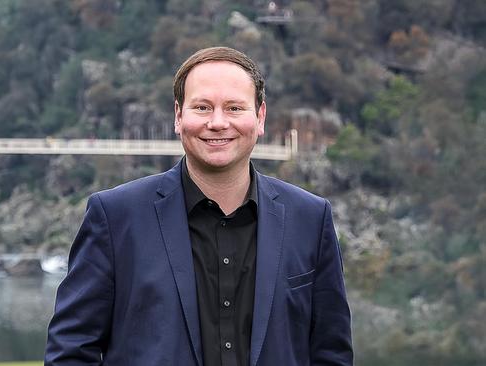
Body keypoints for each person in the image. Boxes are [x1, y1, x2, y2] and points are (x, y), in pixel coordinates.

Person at [45, 46, 353, 366]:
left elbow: (332, 354)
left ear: (260, 117)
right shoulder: (115, 217)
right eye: (203, 107)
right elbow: (70, 351)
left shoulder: (311, 219)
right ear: (179, 116)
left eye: (234, 108)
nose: (218, 123)